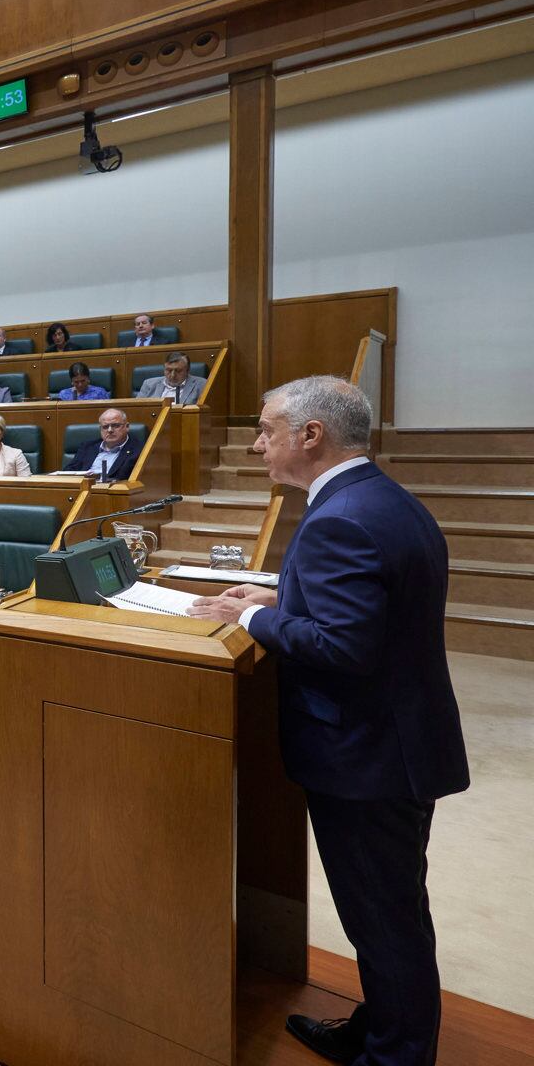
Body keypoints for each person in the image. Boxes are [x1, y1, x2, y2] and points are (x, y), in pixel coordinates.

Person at [187, 377, 467, 1066]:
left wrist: (249, 616)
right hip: (394, 743)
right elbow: (373, 598)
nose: (257, 444)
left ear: (311, 435)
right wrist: (283, 590)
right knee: (381, 916)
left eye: (266, 430)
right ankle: (379, 1030)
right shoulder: (377, 498)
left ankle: (396, 1057)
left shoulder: (340, 516)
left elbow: (345, 646)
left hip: (369, 757)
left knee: (388, 920)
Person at [65, 408, 143, 482]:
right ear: (100, 429)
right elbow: (68, 471)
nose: (110, 430)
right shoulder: (87, 447)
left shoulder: (138, 450)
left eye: (115, 425)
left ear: (127, 427)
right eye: (105, 427)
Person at [136, 351, 207, 405]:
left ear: (187, 370)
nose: (172, 375)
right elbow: (138, 408)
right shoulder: (149, 384)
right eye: (169, 370)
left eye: (178, 371)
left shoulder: (201, 385)